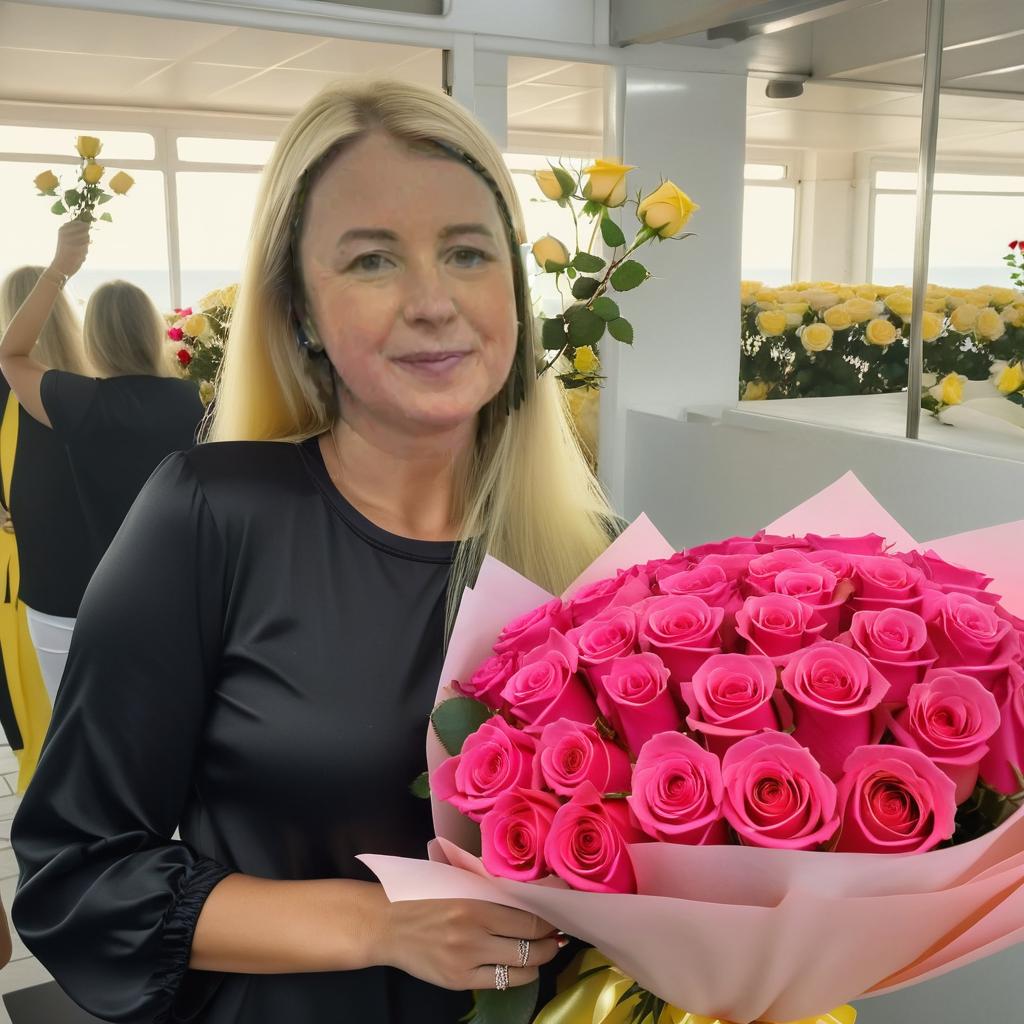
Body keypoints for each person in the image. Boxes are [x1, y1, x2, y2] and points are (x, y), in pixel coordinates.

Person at [10, 79, 620, 1024]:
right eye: (373, 261)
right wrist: (378, 927)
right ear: (299, 309)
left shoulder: (600, 558)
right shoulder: (212, 515)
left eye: (467, 252)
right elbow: (76, 871)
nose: (432, 303)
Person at [0, 247, 204, 695]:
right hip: (166, 601)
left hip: (73, 599)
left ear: (91, 336)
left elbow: (12, 354)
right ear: (155, 333)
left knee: (73, 735)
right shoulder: (193, 401)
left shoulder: (79, 402)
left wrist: (58, 270)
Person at [0, 268, 95, 705]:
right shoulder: (93, 378)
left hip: (28, 572)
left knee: (45, 700)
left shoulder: (16, 383)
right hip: (99, 566)